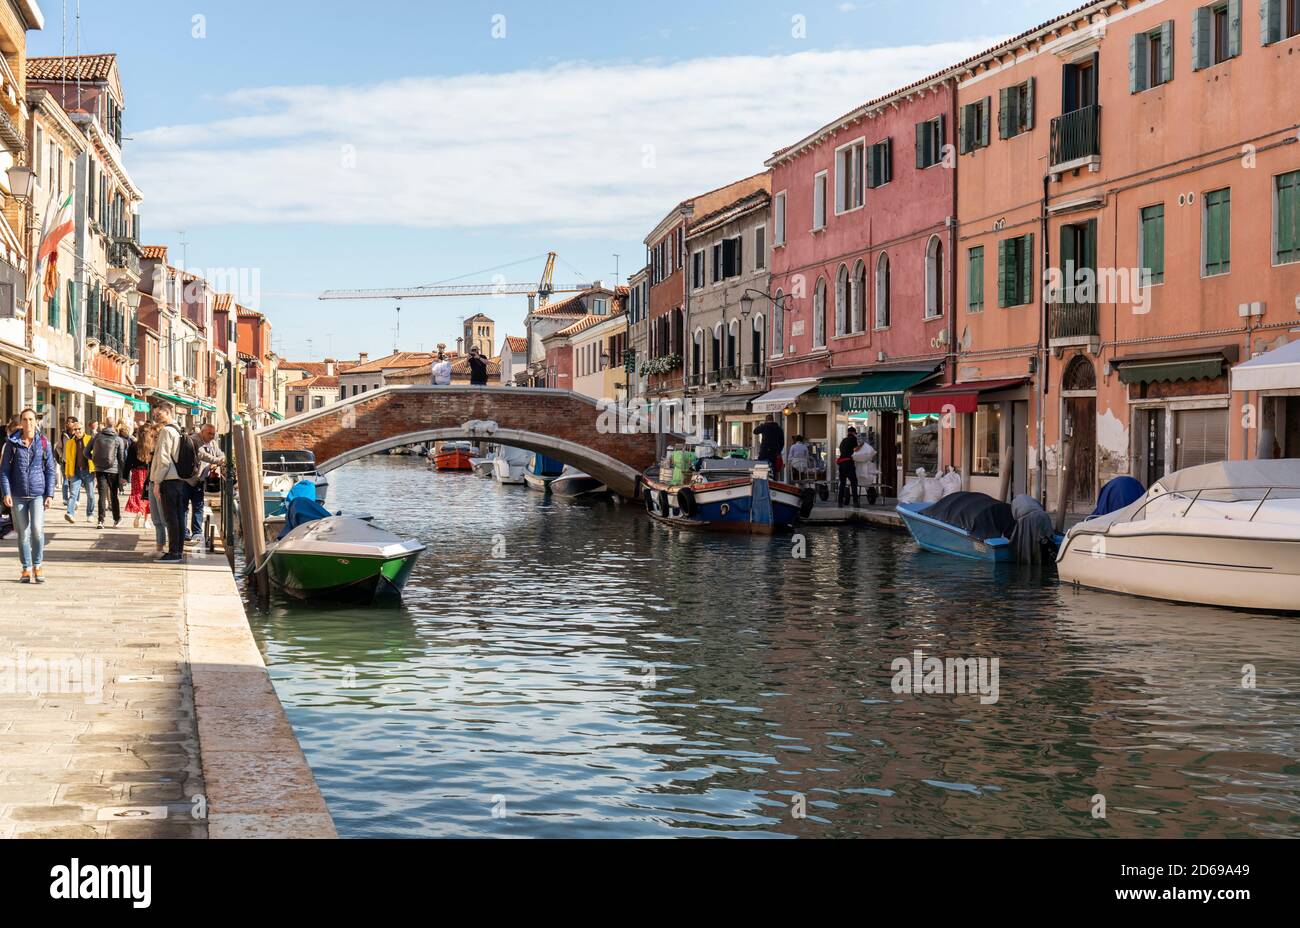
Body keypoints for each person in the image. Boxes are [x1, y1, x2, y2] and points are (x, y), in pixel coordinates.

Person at [1, 408, 58, 583]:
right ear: (21, 422)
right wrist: (6, 493)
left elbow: (50, 469)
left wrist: (50, 494)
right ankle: (26, 568)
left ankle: (38, 565)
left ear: (36, 421)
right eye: (25, 419)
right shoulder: (12, 442)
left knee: (37, 531)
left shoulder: (43, 442)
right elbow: (4, 471)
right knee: (23, 534)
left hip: (38, 493)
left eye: (31, 419)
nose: (28, 423)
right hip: (17, 494)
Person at [150, 404, 190, 562]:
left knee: (171, 517)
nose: (156, 416)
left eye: (159, 413)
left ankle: (174, 552)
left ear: (167, 412)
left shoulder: (167, 431)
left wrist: (157, 482)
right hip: (179, 480)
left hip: (168, 480)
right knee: (179, 516)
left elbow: (164, 460)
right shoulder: (178, 429)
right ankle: (178, 551)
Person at [183, 423, 226, 545]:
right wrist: (217, 460)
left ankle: (197, 532)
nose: (212, 436)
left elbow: (220, 453)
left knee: (198, 506)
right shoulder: (194, 440)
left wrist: (220, 459)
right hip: (187, 479)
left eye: (213, 434)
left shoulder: (212, 442)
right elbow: (202, 455)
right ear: (202, 432)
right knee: (184, 508)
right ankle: (184, 534)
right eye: (209, 433)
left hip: (200, 479)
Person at [90, 420, 126, 529]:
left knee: (102, 495)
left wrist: (95, 460)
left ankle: (101, 521)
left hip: (100, 470)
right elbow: (121, 459)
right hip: (113, 470)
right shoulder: (118, 439)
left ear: (105, 425)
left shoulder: (96, 437)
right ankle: (116, 518)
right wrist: (123, 475)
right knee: (114, 495)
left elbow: (86, 452)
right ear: (115, 426)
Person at [63, 419, 96, 524]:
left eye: (79, 429)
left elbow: (95, 455)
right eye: (75, 429)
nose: (77, 431)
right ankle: (70, 513)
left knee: (90, 495)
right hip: (76, 472)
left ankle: (90, 514)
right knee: (73, 494)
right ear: (73, 431)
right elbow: (68, 459)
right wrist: (67, 473)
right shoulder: (70, 443)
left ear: (83, 429)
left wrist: (95, 470)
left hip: (88, 471)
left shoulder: (90, 439)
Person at [125, 423, 154, 530]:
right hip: (149, 473)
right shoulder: (153, 445)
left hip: (136, 473)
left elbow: (128, 462)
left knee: (137, 493)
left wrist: (124, 476)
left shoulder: (134, 445)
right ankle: (146, 520)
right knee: (148, 495)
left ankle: (138, 510)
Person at [853, 432, 880, 505]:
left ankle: (868, 492)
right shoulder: (864, 448)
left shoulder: (863, 448)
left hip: (862, 468)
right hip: (864, 468)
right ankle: (869, 491)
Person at [837, 427, 860, 508]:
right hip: (848, 463)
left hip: (841, 463)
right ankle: (855, 502)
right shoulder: (853, 439)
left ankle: (840, 502)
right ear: (853, 433)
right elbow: (856, 449)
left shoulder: (843, 440)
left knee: (842, 483)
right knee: (854, 482)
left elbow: (842, 450)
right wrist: (861, 445)